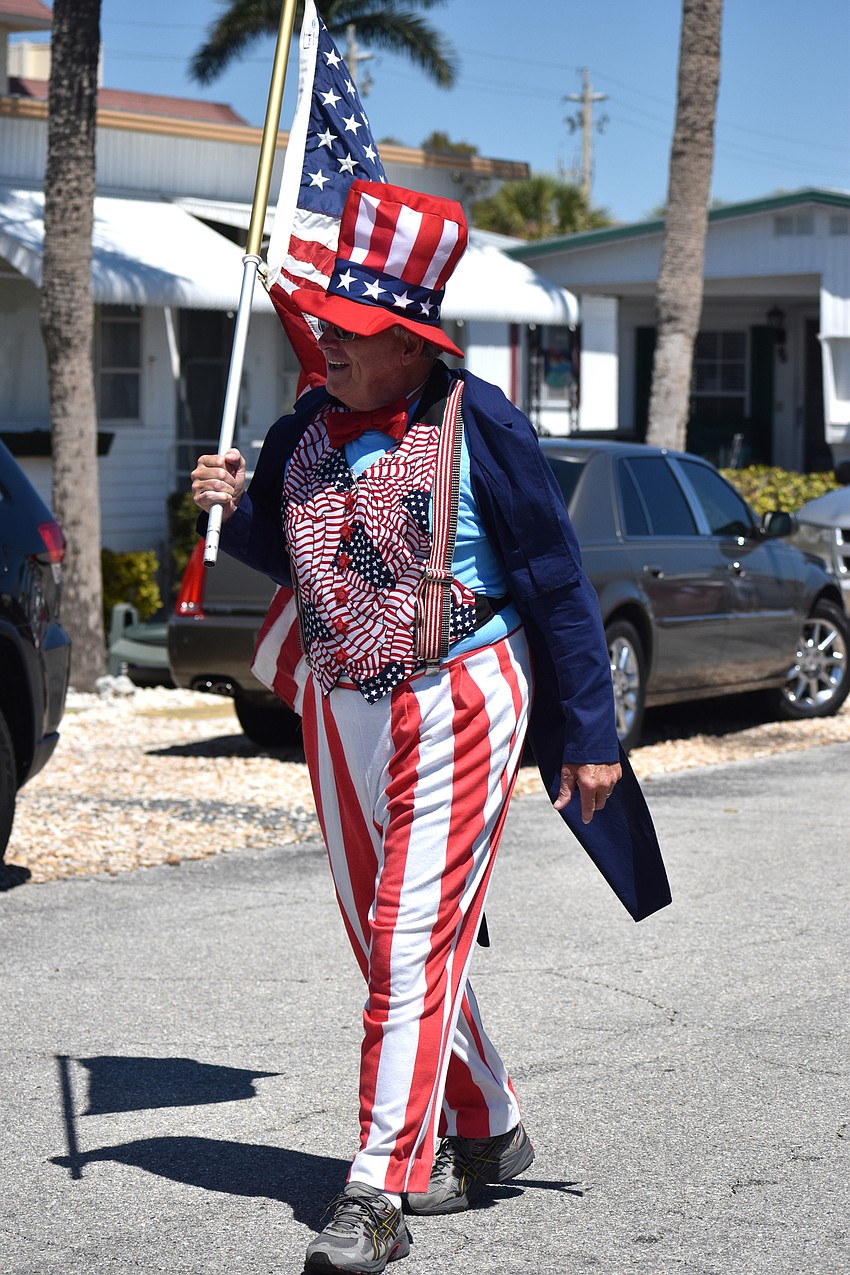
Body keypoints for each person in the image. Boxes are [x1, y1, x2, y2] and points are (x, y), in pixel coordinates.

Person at [192, 181, 670, 1274]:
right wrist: (239, 504)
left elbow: (557, 583)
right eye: (321, 330)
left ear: (409, 344)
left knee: (412, 936)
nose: (323, 347)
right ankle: (488, 1119)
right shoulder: (300, 426)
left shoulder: (479, 420)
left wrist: (591, 733)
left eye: (348, 336)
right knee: (384, 940)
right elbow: (306, 558)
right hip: (337, 698)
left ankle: (379, 1187)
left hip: (460, 689)